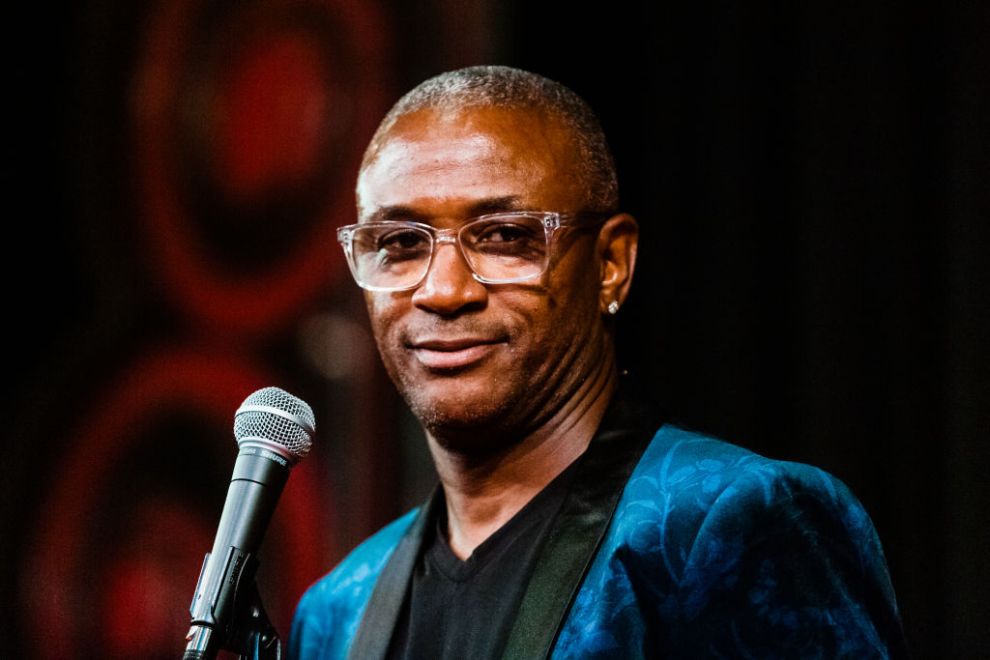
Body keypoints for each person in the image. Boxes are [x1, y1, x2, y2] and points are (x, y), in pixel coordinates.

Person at [288, 65, 907, 659]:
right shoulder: (338, 608)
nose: (444, 291)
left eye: (505, 236)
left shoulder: (728, 522)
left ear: (611, 264)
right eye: (399, 244)